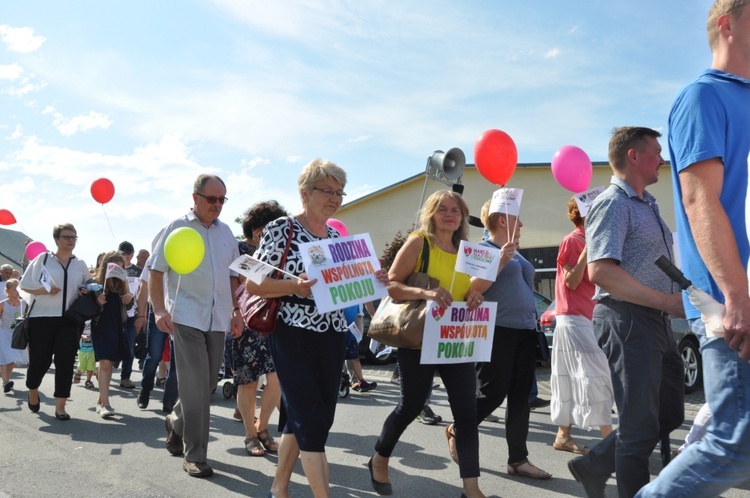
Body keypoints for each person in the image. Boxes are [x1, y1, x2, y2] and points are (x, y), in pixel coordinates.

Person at [635, 2, 750, 496]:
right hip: (732, 300)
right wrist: (736, 296)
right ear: (728, 23)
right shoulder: (703, 97)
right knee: (734, 444)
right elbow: (700, 198)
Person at [248, 159, 387, 498]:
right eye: (328, 191)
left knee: (311, 417)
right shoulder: (283, 228)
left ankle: (279, 487)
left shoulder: (338, 237)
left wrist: (373, 281)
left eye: (339, 192)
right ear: (305, 192)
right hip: (292, 331)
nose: (335, 198)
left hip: (332, 334)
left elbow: (344, 288)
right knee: (311, 420)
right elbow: (255, 284)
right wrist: (295, 287)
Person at [566, 127, 685, 498]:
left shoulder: (647, 202)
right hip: (629, 319)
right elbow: (599, 271)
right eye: (656, 153)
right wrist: (666, 300)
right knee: (636, 429)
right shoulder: (613, 203)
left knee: (671, 413)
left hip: (655, 320)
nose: (662, 160)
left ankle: (596, 463)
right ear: (634, 156)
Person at [370, 189, 487, 498]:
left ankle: (471, 489)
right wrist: (427, 293)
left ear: (462, 217)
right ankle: (379, 458)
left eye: (456, 210)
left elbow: (470, 291)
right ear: (431, 213)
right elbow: (392, 287)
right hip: (418, 339)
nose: (450, 214)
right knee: (410, 406)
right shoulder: (419, 242)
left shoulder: (468, 252)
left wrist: (476, 295)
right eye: (442, 209)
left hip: (455, 341)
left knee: (466, 414)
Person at [150, 174, 243, 478]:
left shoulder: (227, 233)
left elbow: (234, 276)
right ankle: (195, 455)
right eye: (211, 199)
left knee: (207, 385)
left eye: (222, 200)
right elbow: (155, 271)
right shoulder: (177, 227)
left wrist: (238, 310)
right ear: (195, 198)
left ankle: (175, 420)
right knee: (194, 389)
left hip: (218, 318)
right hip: (186, 317)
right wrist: (159, 309)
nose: (217, 205)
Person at [464, 197, 552, 482]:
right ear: (502, 220)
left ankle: (518, 459)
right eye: (517, 218)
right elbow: (472, 290)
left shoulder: (519, 253)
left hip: (525, 331)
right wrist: (501, 259)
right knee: (491, 393)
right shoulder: (482, 249)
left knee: (520, 399)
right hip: (497, 331)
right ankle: (459, 427)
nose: (522, 223)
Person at [549, 197, 614, 455]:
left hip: (587, 317)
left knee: (570, 377)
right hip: (574, 318)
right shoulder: (572, 241)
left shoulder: (596, 240)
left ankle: (563, 436)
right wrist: (588, 250)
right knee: (598, 375)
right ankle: (610, 441)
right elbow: (571, 281)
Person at [20, 223, 92, 420]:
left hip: (70, 319)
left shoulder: (80, 264)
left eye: (74, 237)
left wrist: (87, 289)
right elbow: (25, 285)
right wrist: (46, 290)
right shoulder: (42, 259)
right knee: (40, 360)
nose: (71, 240)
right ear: (56, 239)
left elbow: (89, 285)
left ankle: (60, 406)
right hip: (41, 319)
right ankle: (33, 389)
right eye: (67, 236)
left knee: (66, 362)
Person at [232, 200, 286, 457]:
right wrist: (235, 315)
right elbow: (244, 284)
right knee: (249, 382)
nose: (263, 231)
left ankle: (263, 427)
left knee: (276, 381)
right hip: (249, 320)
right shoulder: (242, 250)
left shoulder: (284, 253)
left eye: (271, 226)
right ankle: (250, 435)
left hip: (276, 322)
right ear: (252, 228)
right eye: (260, 226)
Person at [90, 251, 134, 418]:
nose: (117, 268)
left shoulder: (122, 283)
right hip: (101, 326)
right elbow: (87, 309)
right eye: (114, 265)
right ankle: (105, 405)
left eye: (120, 265)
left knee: (108, 364)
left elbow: (128, 309)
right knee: (106, 362)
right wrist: (96, 303)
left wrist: (130, 298)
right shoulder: (95, 282)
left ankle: (101, 399)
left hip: (116, 325)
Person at [117, 241, 141, 389]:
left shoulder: (138, 271)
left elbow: (143, 292)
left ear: (132, 254)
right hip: (115, 314)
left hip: (131, 314)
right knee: (112, 344)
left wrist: (132, 295)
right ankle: (104, 372)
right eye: (122, 254)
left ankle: (125, 377)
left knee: (130, 347)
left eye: (127, 254)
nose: (124, 256)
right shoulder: (112, 269)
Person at [343, 304, 377, 392]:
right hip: (339, 330)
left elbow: (358, 315)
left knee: (355, 358)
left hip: (351, 331)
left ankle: (361, 381)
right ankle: (344, 379)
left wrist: (356, 334)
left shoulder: (355, 303)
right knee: (340, 358)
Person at [0, 278, 24, 393]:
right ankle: (6, 383)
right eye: (15, 289)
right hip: (4, 333)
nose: (17, 291)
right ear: (8, 290)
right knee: (5, 359)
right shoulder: (2, 304)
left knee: (11, 360)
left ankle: (6, 381)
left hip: (17, 335)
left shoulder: (23, 304)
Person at [73, 322, 96, 389]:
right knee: (82, 364)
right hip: (82, 348)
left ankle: (88, 380)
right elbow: (75, 330)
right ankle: (78, 372)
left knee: (91, 366)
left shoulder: (94, 320)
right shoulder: (81, 319)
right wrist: (81, 336)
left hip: (92, 348)